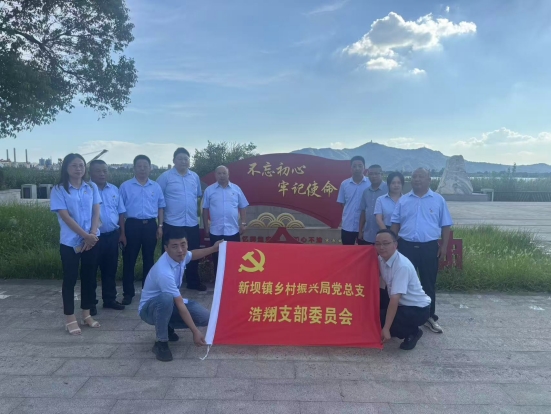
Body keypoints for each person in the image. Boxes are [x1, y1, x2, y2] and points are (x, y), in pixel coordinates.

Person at [139, 228, 222, 361]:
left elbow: (193, 255)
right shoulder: (163, 271)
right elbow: (179, 303)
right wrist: (195, 332)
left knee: (206, 318)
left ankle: (167, 325)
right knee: (166, 298)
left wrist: (214, 248)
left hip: (170, 304)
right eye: (174, 246)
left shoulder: (180, 256)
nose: (180, 250)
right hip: (149, 310)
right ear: (166, 248)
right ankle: (161, 343)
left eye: (183, 245)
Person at [390, 168, 453, 334]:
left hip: (429, 247)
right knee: (403, 283)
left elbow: (446, 224)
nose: (417, 179)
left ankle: (429, 317)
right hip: (406, 247)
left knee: (428, 283)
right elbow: (395, 224)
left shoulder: (438, 200)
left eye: (421, 176)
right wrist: (392, 244)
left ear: (429, 179)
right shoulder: (403, 200)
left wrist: (444, 246)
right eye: (414, 176)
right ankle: (403, 315)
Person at [50, 153, 102, 335]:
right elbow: (65, 217)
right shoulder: (59, 189)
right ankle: (70, 318)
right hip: (70, 242)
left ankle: (86, 314)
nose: (78, 169)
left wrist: (92, 234)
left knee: (89, 277)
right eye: (74, 165)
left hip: (92, 240)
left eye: (81, 165)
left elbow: (96, 211)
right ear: (66, 168)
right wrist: (85, 235)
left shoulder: (91, 187)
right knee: (70, 279)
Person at [156, 148, 205, 292]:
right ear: (174, 161)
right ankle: (167, 282)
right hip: (172, 223)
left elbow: (197, 196)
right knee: (170, 253)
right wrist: (160, 224)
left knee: (192, 252)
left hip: (191, 222)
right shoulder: (165, 177)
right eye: (180, 158)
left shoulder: (194, 177)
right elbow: (158, 199)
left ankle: (193, 281)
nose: (183, 161)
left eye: (186, 159)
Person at [119, 155, 166, 305]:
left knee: (149, 260)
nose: (142, 169)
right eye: (139, 166)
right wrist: (122, 232)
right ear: (134, 168)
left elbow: (161, 207)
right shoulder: (125, 186)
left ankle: (148, 292)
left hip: (150, 226)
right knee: (129, 260)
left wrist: (160, 226)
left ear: (150, 168)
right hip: (132, 225)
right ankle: (128, 293)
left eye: (145, 166)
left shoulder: (155, 186)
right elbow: (120, 211)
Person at [376, 229, 431, 350]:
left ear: (395, 244)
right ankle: (395, 326)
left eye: (386, 243)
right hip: (400, 303)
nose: (381, 247)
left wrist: (386, 328)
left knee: (384, 322)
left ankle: (413, 332)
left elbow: (395, 298)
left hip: (416, 308)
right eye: (378, 244)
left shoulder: (402, 266)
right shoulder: (381, 258)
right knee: (374, 315)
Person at [89, 159, 126, 311]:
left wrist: (122, 233)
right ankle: (90, 303)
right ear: (90, 173)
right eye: (98, 171)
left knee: (110, 269)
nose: (102, 174)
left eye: (105, 171)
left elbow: (121, 212)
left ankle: (109, 299)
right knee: (91, 270)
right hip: (93, 237)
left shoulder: (114, 189)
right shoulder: (86, 190)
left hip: (112, 236)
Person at [202, 165, 249, 273]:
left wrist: (243, 223)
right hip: (216, 231)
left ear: (228, 175)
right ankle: (218, 282)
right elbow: (205, 209)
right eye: (219, 173)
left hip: (233, 231)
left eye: (224, 173)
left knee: (233, 258)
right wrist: (206, 227)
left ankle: (232, 280)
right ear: (215, 175)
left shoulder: (236, 189)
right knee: (217, 258)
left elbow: (243, 206)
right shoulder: (209, 190)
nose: (222, 176)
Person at [337, 156, 371, 245]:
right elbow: (342, 203)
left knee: (364, 251)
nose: (357, 168)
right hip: (348, 225)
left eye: (360, 166)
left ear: (364, 167)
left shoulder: (370, 183)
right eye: (354, 166)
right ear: (351, 168)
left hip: (365, 227)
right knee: (347, 250)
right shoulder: (344, 184)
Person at [358, 164, 388, 245]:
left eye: (376, 173)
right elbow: (363, 212)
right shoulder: (366, 192)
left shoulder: (388, 189)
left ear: (382, 174)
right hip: (368, 235)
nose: (373, 176)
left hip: (384, 236)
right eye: (371, 174)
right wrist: (360, 230)